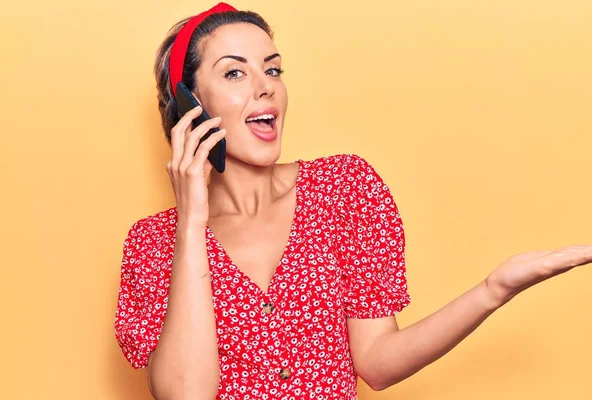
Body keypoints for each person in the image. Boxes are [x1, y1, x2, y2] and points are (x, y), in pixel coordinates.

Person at [113, 3, 592, 399]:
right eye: (234, 73)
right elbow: (186, 395)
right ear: (189, 105)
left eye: (273, 69)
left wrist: (494, 289)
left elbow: (377, 363)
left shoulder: (345, 188)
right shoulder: (153, 244)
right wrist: (191, 223)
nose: (266, 86)